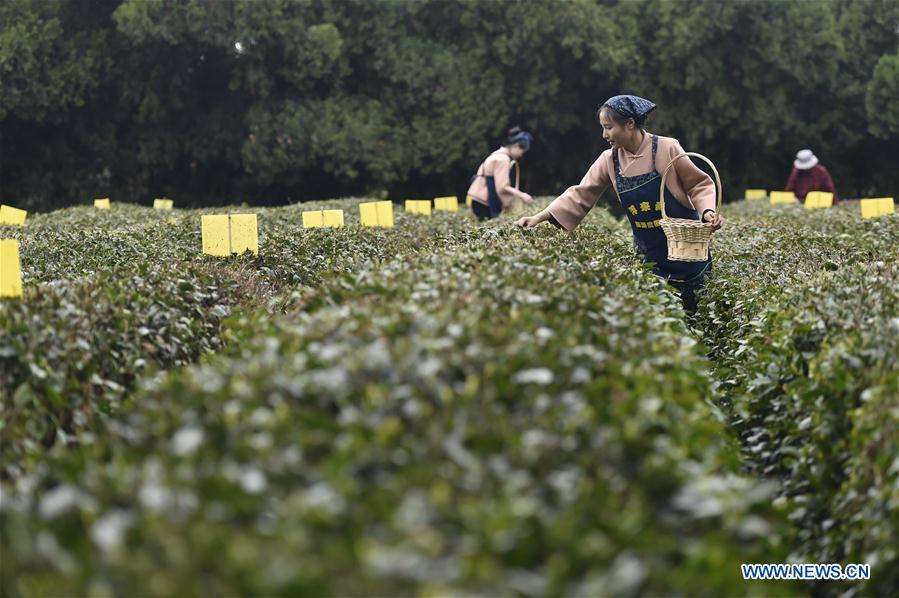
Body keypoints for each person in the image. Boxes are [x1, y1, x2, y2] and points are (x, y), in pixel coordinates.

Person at [514, 95, 723, 314]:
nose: (604, 135)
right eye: (603, 128)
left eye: (609, 127)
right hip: (649, 257)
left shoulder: (666, 148)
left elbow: (698, 184)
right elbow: (580, 193)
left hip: (685, 252)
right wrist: (539, 217)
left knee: (699, 319)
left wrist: (707, 212)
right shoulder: (609, 160)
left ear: (630, 124)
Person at [467, 127, 535, 221]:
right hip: (484, 204)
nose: (521, 155)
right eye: (522, 151)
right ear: (516, 145)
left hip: (478, 201)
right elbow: (502, 187)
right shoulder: (503, 159)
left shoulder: (496, 154)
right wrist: (522, 195)